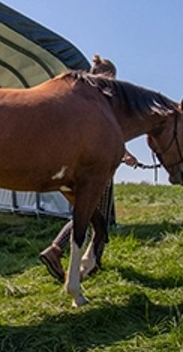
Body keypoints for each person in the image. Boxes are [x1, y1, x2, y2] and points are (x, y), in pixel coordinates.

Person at [38, 56, 141, 281]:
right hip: (98, 169)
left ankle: (87, 258)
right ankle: (62, 251)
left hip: (87, 165)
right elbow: (104, 139)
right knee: (94, 213)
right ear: (107, 77)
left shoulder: (83, 100)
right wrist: (125, 154)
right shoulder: (102, 101)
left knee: (93, 214)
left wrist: (124, 154)